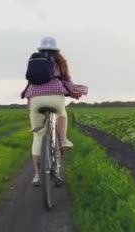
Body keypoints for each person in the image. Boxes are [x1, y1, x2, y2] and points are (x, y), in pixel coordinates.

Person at [21, 36, 88, 186]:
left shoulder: (34, 60)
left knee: (38, 136)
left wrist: (29, 102)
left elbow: (30, 81)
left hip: (35, 97)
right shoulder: (60, 61)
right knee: (62, 114)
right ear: (55, 49)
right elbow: (67, 80)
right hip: (55, 96)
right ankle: (63, 139)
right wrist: (72, 91)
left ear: (40, 49)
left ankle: (37, 175)